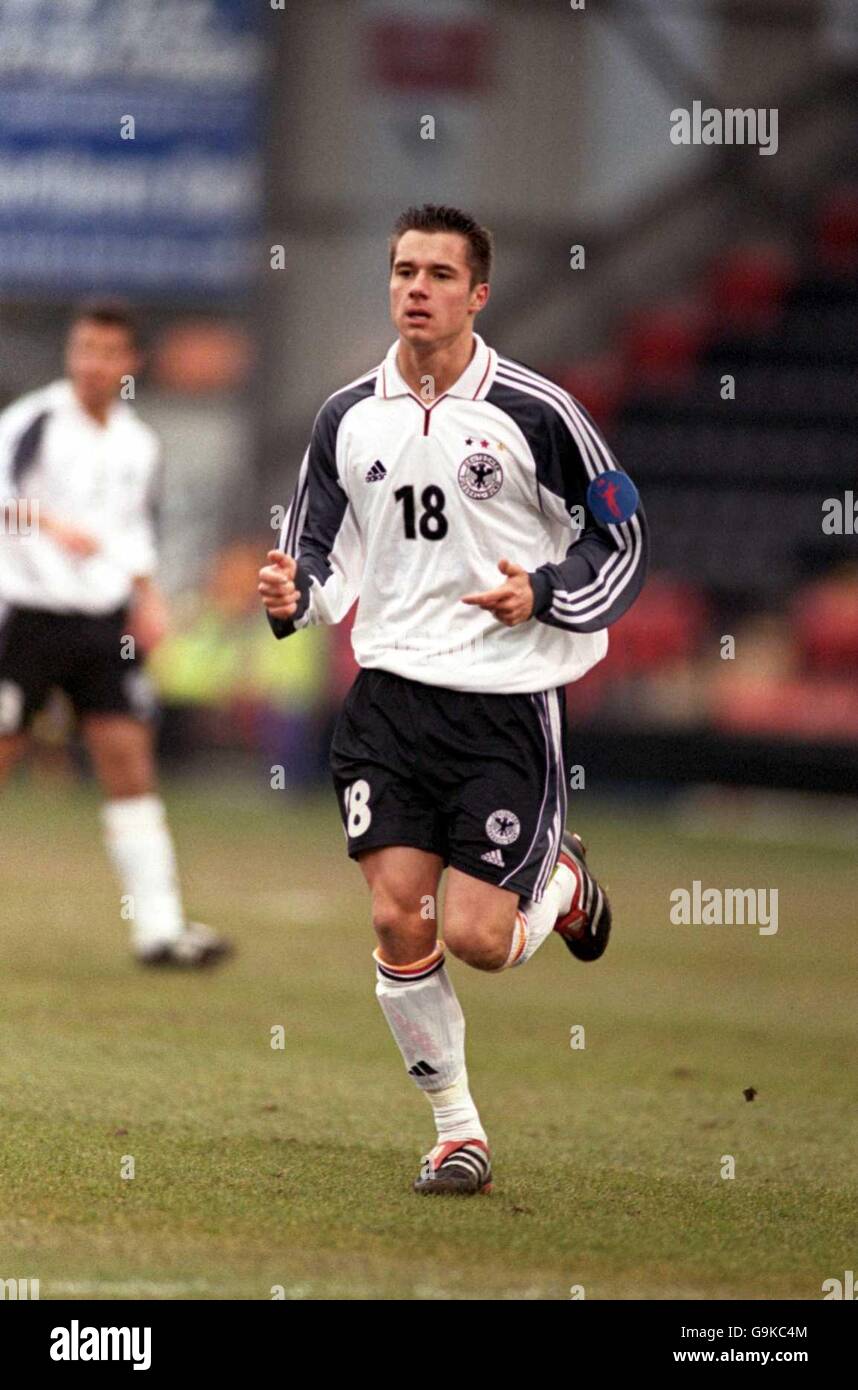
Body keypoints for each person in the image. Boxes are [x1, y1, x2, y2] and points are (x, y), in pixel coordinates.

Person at [258, 205, 647, 1194]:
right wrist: (295, 594)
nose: (416, 287)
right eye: (402, 270)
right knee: (398, 920)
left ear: (478, 294)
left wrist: (545, 593)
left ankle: (558, 883)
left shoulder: (538, 410)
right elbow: (318, 550)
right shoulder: (348, 416)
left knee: (479, 939)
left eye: (438, 272)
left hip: (504, 703)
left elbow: (623, 540)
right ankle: (456, 1131)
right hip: (388, 700)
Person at [0, 300, 231, 968]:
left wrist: (148, 595)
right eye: (83, 350)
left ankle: (158, 930)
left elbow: (133, 534)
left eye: (107, 353)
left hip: (102, 625)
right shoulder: (34, 420)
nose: (93, 365)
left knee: (129, 761)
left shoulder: (139, 442)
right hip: (29, 618)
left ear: (130, 364)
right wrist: (43, 523)